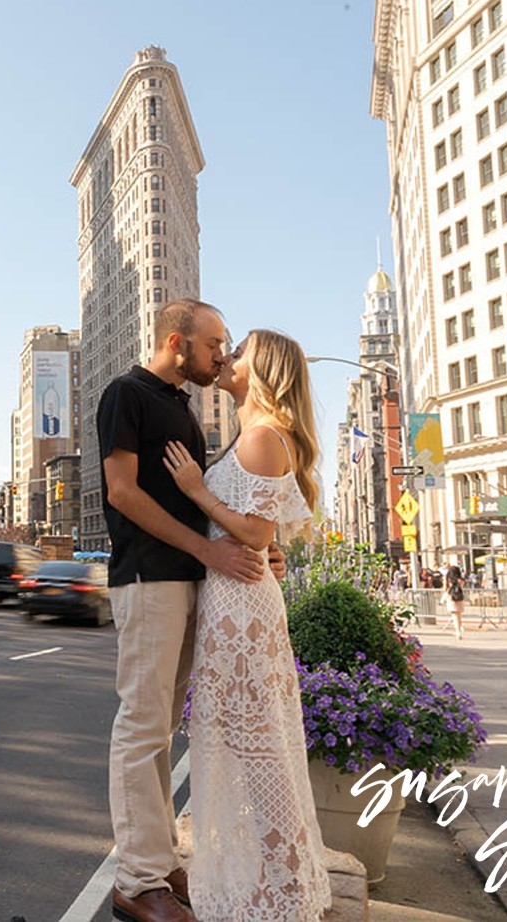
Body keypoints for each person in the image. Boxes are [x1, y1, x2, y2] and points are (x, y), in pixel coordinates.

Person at [98, 299, 271, 922]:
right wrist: (205, 549)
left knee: (162, 730)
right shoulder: (127, 393)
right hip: (149, 578)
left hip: (190, 576)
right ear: (178, 341)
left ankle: (162, 862)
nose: (222, 354)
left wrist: (239, 549)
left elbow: (198, 500)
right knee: (142, 727)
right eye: (215, 343)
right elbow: (122, 491)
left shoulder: (183, 407)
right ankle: (137, 880)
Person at [162, 329, 331, 921]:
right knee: (235, 745)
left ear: (263, 372)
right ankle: (254, 878)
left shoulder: (263, 437)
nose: (228, 358)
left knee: (259, 749)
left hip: (243, 613)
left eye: (239, 353)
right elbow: (262, 533)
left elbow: (257, 533)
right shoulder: (249, 436)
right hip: (230, 603)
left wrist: (194, 489)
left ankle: (280, 889)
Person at [444, 563, 467, 639]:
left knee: (454, 615)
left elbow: (445, 588)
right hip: (459, 597)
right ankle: (459, 628)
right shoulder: (460, 580)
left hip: (451, 597)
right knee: (459, 615)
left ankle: (458, 631)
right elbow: (462, 587)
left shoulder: (449, 580)